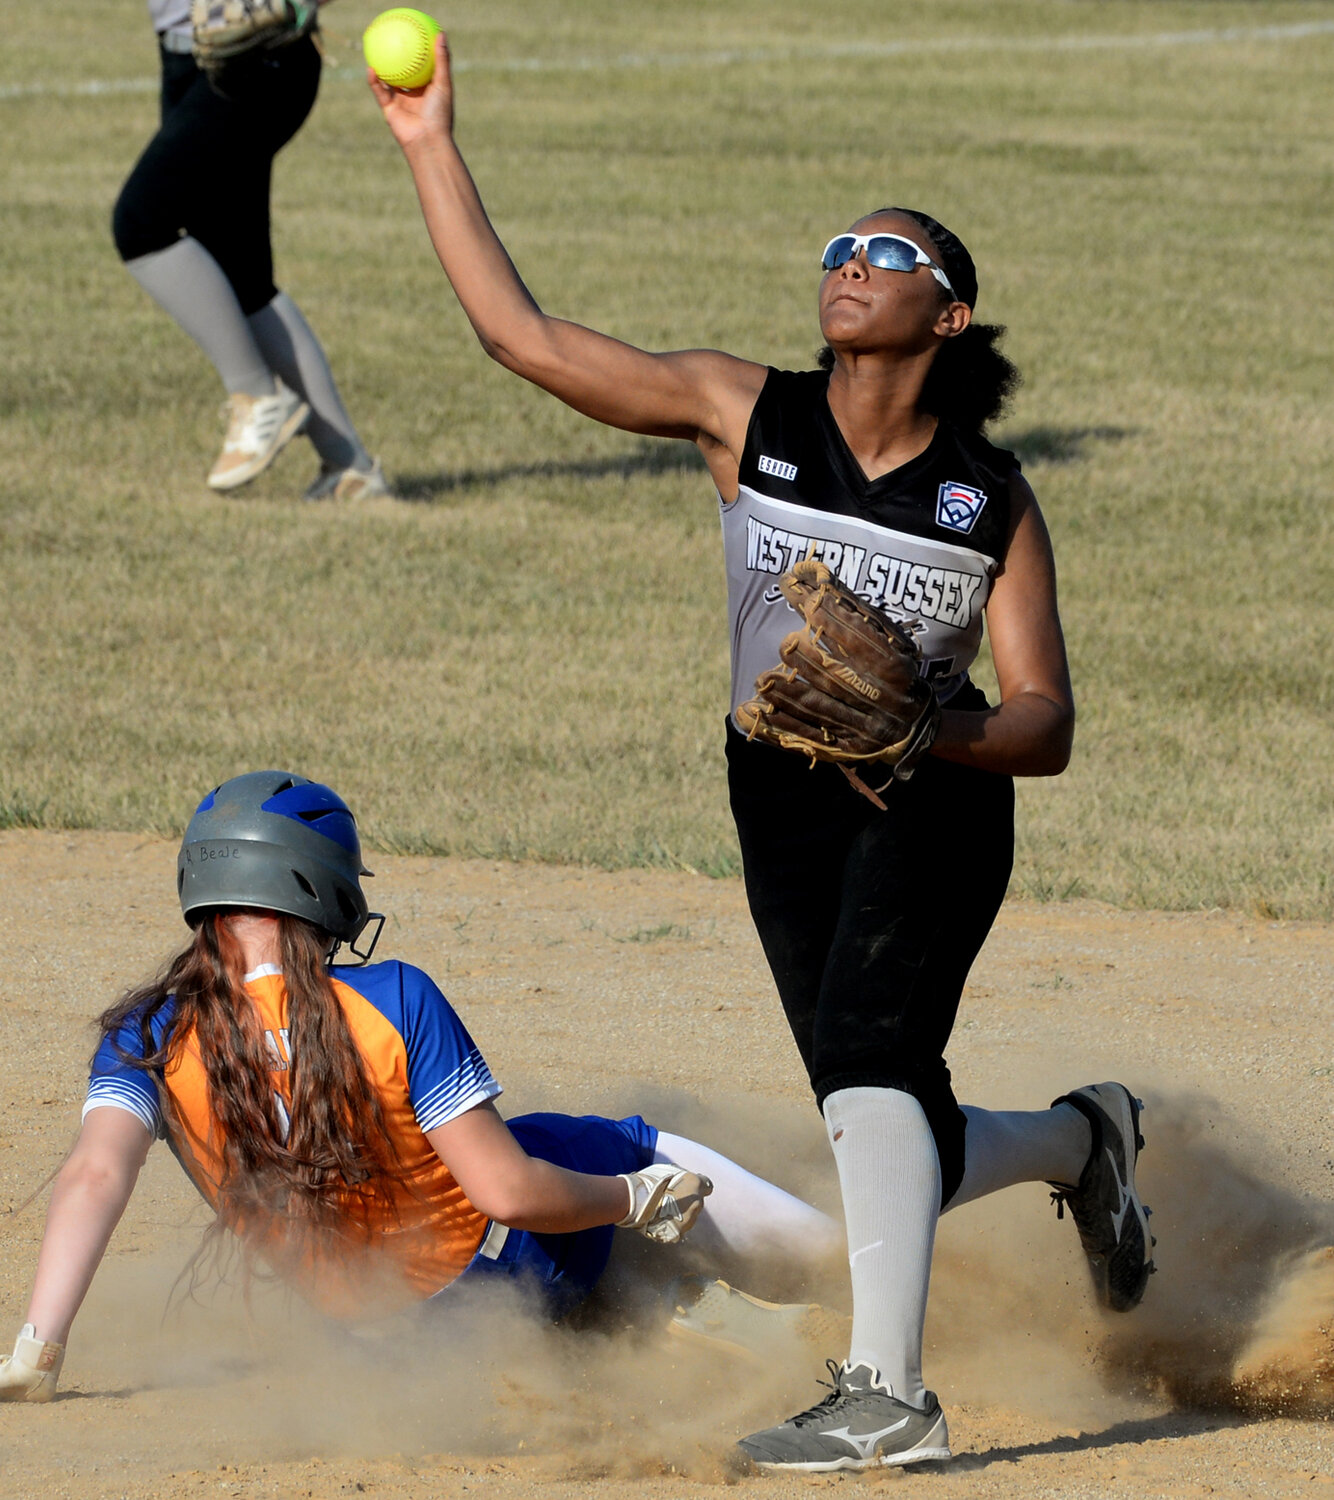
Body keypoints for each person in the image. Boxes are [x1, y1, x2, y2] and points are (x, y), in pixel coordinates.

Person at [366, 39, 1156, 1471]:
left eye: (884, 252)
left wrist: (937, 725)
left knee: (865, 1058)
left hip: (932, 797)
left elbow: (1045, 719)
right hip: (774, 798)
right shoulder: (746, 413)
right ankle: (1078, 1143)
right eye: (834, 248)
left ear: (949, 312)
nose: (846, 264)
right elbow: (525, 341)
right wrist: (427, 142)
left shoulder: (989, 500)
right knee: (879, 1108)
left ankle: (888, 1398)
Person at [0, 771, 846, 1404]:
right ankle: (852, 1269)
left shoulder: (145, 1035)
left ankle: (639, 1313)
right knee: (592, 1144)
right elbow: (509, 1194)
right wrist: (632, 1198)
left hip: (377, 1346)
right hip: (504, 1277)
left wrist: (36, 1351)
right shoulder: (391, 997)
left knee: (476, 1219)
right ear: (318, 890)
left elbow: (93, 1179)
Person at [113, 0, 390, 499]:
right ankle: (350, 469)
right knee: (238, 272)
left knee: (142, 223)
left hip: (258, 62)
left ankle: (259, 395)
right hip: (191, 61)